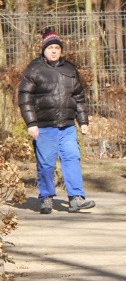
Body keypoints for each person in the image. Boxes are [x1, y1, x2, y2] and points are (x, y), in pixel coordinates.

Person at [18, 27, 95, 214]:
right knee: (46, 164)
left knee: (72, 158)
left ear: (61, 50)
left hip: (67, 126)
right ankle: (46, 198)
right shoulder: (34, 69)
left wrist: (83, 121)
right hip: (44, 127)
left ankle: (76, 198)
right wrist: (31, 124)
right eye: (50, 48)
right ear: (44, 49)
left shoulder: (70, 69)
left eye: (57, 48)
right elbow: (25, 98)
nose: (54, 51)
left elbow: (78, 97)